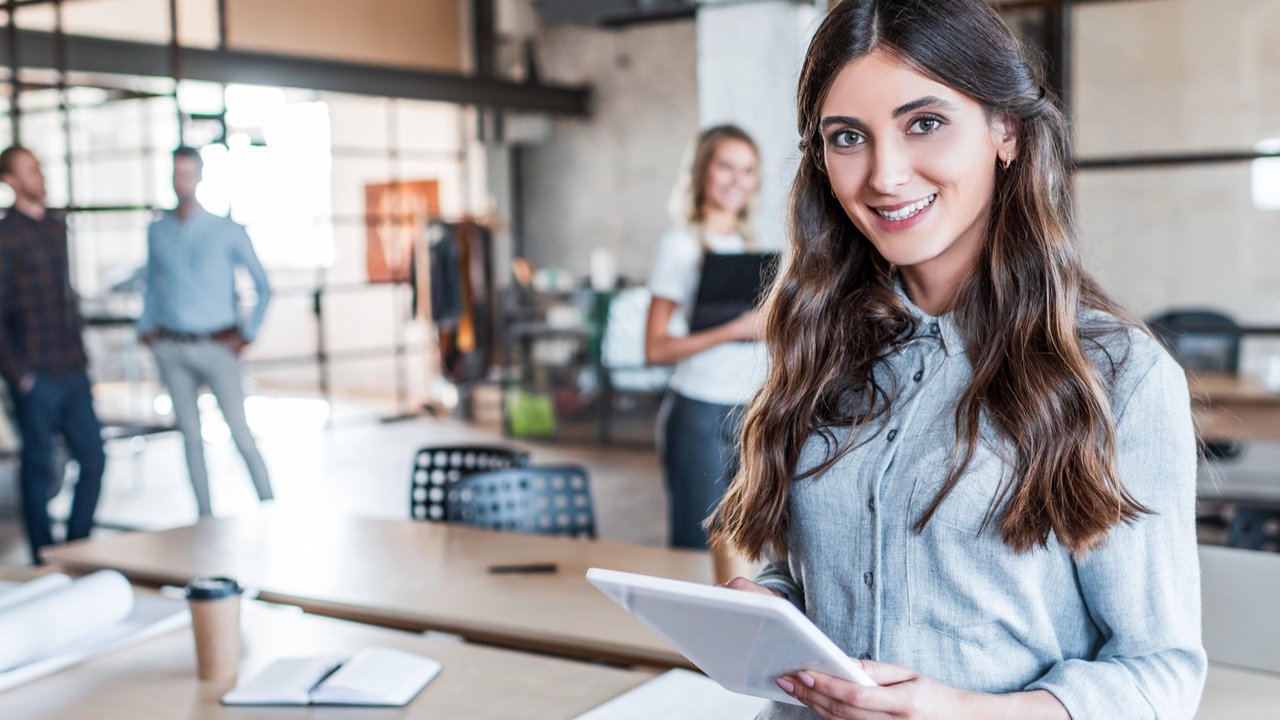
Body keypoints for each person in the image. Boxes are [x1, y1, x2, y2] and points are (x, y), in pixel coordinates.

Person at [709, 1, 1206, 718]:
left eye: (925, 123)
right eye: (847, 137)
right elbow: (842, 576)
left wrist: (965, 711)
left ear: (1004, 130)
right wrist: (774, 613)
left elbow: (1161, 674)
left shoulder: (1119, 377)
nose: (884, 175)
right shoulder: (826, 345)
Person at [645, 125, 770, 579]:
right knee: (694, 547)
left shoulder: (749, 246)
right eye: (725, 166)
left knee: (741, 544)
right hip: (698, 414)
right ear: (702, 172)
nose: (737, 179)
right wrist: (733, 329)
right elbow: (655, 348)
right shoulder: (679, 246)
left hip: (747, 412)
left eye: (748, 170)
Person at [137, 146, 274, 518]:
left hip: (218, 347)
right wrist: (145, 329)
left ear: (199, 176)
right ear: (171, 177)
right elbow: (153, 284)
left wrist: (247, 334)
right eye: (176, 173)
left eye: (188, 173)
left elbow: (264, 286)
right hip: (172, 347)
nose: (182, 181)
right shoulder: (158, 231)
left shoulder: (227, 229)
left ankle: (271, 509)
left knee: (241, 435)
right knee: (191, 440)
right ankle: (205, 519)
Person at [0, 145, 105, 564]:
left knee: (93, 460)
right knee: (39, 468)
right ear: (9, 181)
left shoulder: (56, 227)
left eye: (39, 168)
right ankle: (44, 556)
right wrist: (19, 374)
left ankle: (75, 547)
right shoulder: (5, 235)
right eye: (28, 171)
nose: (38, 176)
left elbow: (66, 297)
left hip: (71, 367)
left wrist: (83, 352)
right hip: (35, 373)